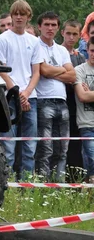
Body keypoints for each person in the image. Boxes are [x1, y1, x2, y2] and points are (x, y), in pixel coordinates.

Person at [0, 0, 43, 178]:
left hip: (31, 98)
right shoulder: (3, 39)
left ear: (29, 16)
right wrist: (17, 94)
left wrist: (26, 94)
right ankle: (8, 185)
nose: (19, 17)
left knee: (30, 146)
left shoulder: (34, 41)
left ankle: (27, 186)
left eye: (22, 14)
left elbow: (36, 72)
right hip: (8, 96)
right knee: (8, 146)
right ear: (12, 16)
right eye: (16, 14)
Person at [34, 12, 75, 181]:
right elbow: (43, 70)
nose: (50, 28)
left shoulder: (62, 50)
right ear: (39, 26)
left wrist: (52, 72)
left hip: (62, 102)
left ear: (58, 28)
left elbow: (72, 76)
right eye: (47, 24)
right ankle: (43, 185)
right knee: (45, 148)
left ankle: (60, 185)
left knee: (62, 148)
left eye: (53, 25)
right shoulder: (35, 45)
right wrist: (60, 70)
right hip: (44, 101)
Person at [61, 20, 87, 169]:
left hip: (78, 105)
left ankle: (76, 176)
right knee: (62, 144)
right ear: (62, 33)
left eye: (74, 34)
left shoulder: (80, 57)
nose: (71, 37)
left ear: (78, 36)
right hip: (61, 102)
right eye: (68, 33)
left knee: (77, 144)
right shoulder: (57, 51)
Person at [74, 37, 94, 183]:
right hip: (86, 122)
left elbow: (87, 95)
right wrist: (86, 95)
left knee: (89, 163)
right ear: (87, 50)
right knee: (92, 158)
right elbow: (82, 96)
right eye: (92, 50)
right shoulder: (79, 70)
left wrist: (90, 94)